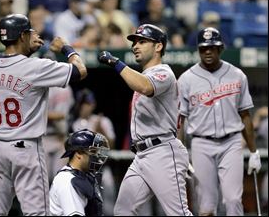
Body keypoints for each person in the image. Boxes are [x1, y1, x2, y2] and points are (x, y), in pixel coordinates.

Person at [0, 13, 87, 215]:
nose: (32, 36)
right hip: (25, 148)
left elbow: (16, 69)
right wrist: (66, 48)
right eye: (29, 33)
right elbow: (80, 71)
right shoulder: (36, 67)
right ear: (21, 36)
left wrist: (28, 51)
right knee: (37, 213)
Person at [98, 24, 193, 216]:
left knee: (179, 214)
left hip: (162, 151)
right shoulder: (145, 75)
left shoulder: (163, 73)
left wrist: (116, 63)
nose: (135, 46)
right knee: (123, 211)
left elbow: (145, 87)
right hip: (142, 155)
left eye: (142, 41)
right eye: (134, 42)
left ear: (158, 46)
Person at [177, 27, 262, 216]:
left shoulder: (238, 75)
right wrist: (181, 152)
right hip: (201, 144)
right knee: (206, 206)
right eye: (203, 48)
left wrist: (254, 151)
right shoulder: (186, 79)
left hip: (231, 143)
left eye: (212, 47)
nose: (207, 51)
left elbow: (245, 116)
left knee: (232, 200)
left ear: (221, 48)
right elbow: (180, 121)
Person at [70, 88, 116, 216]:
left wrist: (101, 128)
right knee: (85, 206)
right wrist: (95, 132)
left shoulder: (103, 120)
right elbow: (81, 149)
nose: (86, 107)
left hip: (103, 167)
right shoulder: (76, 124)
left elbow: (111, 145)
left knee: (108, 204)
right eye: (83, 103)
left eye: (88, 103)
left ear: (93, 104)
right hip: (84, 171)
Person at [49, 129, 110, 216]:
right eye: (93, 152)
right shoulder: (66, 181)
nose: (97, 156)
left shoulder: (84, 175)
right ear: (79, 153)